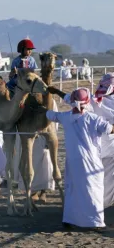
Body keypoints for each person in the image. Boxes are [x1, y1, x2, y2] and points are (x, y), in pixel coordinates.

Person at [46, 87, 114, 230]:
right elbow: (110, 129)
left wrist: (39, 106)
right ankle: (96, 223)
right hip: (91, 162)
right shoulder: (94, 119)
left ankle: (69, 220)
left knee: (72, 189)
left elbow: (50, 114)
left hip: (73, 161)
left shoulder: (65, 116)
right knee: (93, 190)